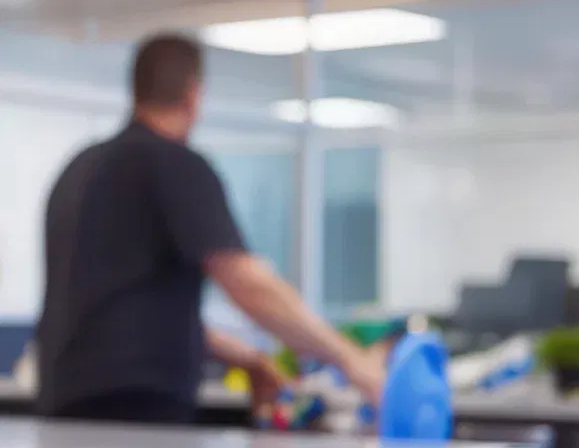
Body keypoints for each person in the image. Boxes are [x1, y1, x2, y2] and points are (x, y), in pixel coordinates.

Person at [37, 33, 384, 424]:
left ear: (136, 90)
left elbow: (132, 312)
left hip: (63, 405)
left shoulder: (81, 169)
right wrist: (351, 358)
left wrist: (248, 358)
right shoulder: (176, 164)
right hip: (137, 411)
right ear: (193, 94)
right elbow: (247, 282)